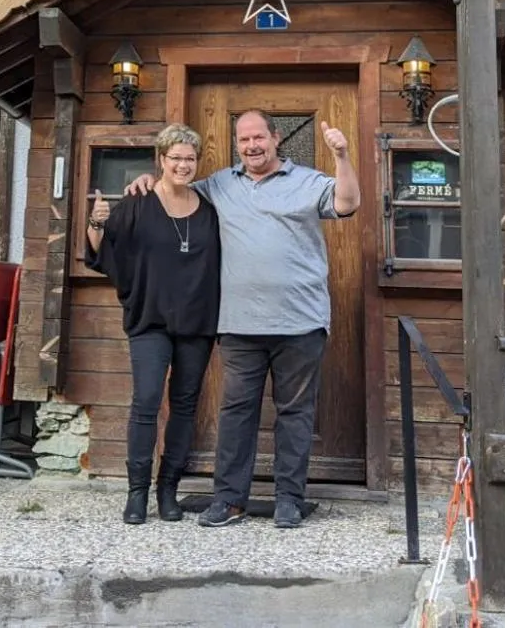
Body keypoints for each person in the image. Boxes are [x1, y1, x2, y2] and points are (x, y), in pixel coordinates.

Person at [126, 109, 359, 529]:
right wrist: (145, 180)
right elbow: (175, 189)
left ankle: (289, 500)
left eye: (258, 137)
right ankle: (229, 501)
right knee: (235, 414)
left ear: (276, 138)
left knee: (295, 413)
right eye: (244, 139)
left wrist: (342, 156)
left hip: (300, 323)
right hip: (238, 325)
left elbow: (347, 203)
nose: (252, 146)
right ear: (237, 144)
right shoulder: (219, 184)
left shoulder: (307, 181)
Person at [85, 123, 221, 525]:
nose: (183, 165)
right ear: (161, 160)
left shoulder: (209, 209)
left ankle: (168, 491)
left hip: (197, 322)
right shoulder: (138, 202)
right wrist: (96, 223)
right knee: (146, 401)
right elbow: (104, 252)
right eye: (175, 158)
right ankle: (137, 493)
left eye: (189, 159)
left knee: (184, 406)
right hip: (149, 319)